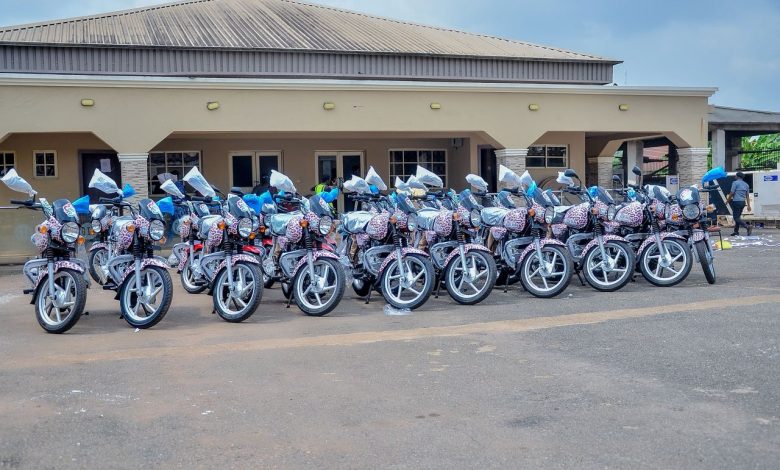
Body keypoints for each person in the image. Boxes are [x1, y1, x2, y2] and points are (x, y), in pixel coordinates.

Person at [727, 172, 752, 237]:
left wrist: (727, 200)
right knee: (738, 217)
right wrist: (749, 206)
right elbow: (747, 196)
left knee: (736, 218)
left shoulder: (735, 183)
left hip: (736, 202)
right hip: (742, 202)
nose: (735, 176)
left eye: (736, 175)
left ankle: (747, 226)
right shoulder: (746, 184)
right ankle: (736, 232)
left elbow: (732, 192)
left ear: (738, 176)